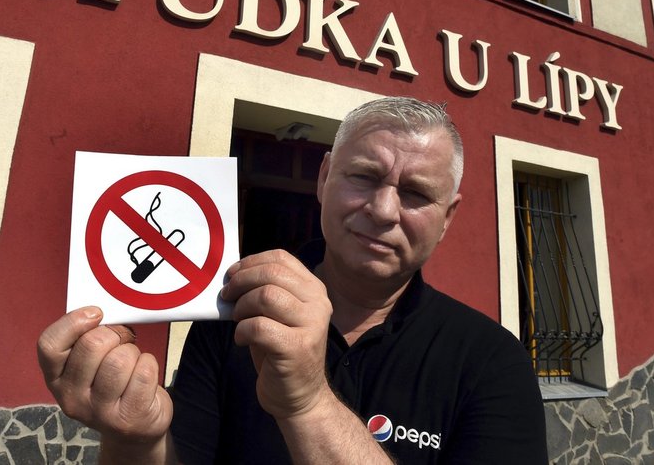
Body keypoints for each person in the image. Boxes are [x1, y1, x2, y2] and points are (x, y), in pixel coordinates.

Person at [37, 97, 548, 464]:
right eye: (364, 177)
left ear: (448, 216)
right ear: (324, 179)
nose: (383, 209)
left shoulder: (493, 363)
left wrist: (306, 402)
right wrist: (135, 440)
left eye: (415, 193)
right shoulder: (233, 316)